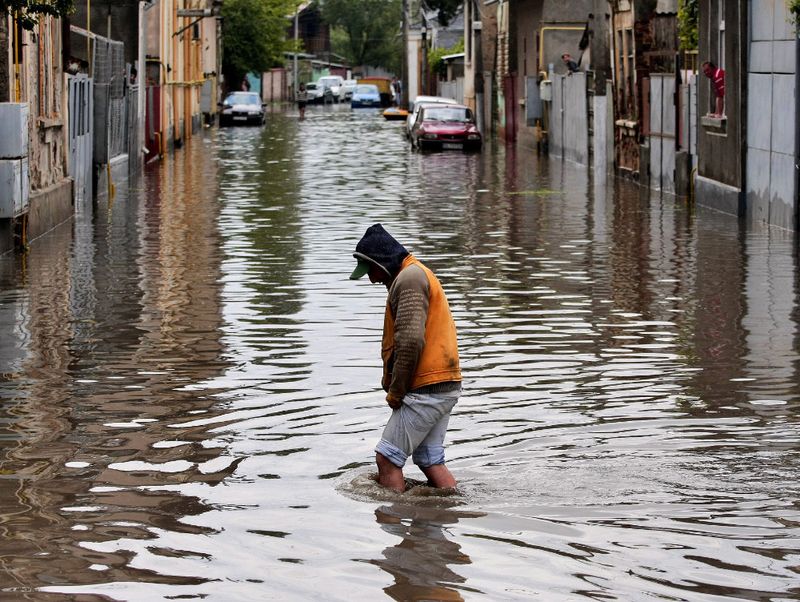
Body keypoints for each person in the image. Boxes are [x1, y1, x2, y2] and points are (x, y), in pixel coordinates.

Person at [350, 224, 462, 493]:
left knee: (387, 459)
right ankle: (452, 508)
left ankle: (393, 516)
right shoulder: (414, 274)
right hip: (443, 383)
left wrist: (396, 392)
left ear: (382, 262)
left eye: (371, 271)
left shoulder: (409, 278)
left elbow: (410, 341)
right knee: (429, 459)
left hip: (427, 386)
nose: (371, 280)